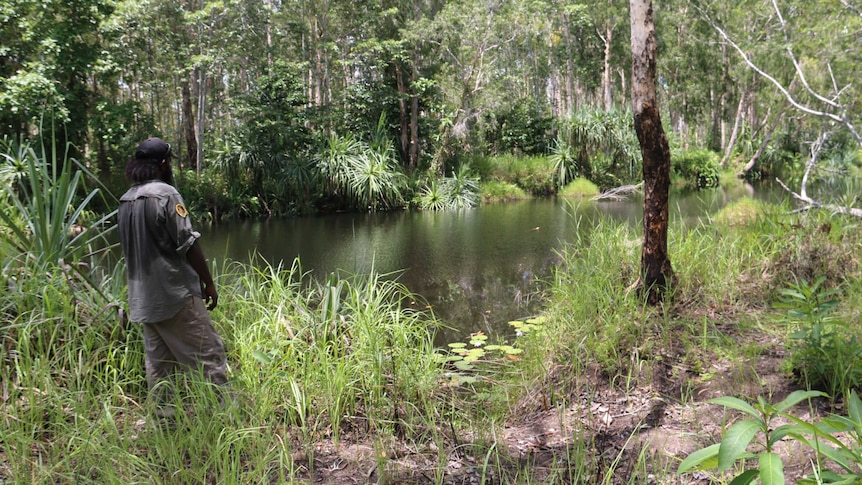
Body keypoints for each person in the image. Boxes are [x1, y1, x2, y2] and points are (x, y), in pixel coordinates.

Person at [118, 137, 227, 416]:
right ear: (163, 164)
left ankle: (166, 426)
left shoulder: (126, 200)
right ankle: (226, 418)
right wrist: (209, 283)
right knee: (209, 355)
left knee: (160, 367)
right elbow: (188, 243)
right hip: (175, 294)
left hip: (143, 300)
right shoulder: (167, 194)